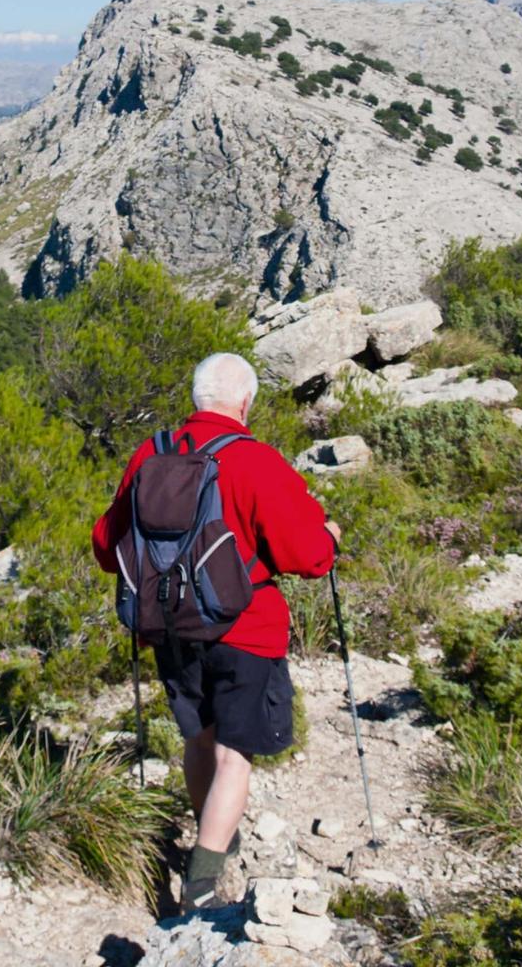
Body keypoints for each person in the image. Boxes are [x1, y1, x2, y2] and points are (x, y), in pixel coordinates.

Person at [91, 352, 339, 911]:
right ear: (245, 403)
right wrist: (332, 540)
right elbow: (305, 554)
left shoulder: (151, 455)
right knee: (234, 755)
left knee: (198, 740)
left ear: (195, 399)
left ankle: (212, 839)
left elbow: (107, 545)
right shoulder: (254, 460)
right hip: (245, 630)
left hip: (171, 627)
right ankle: (201, 885)